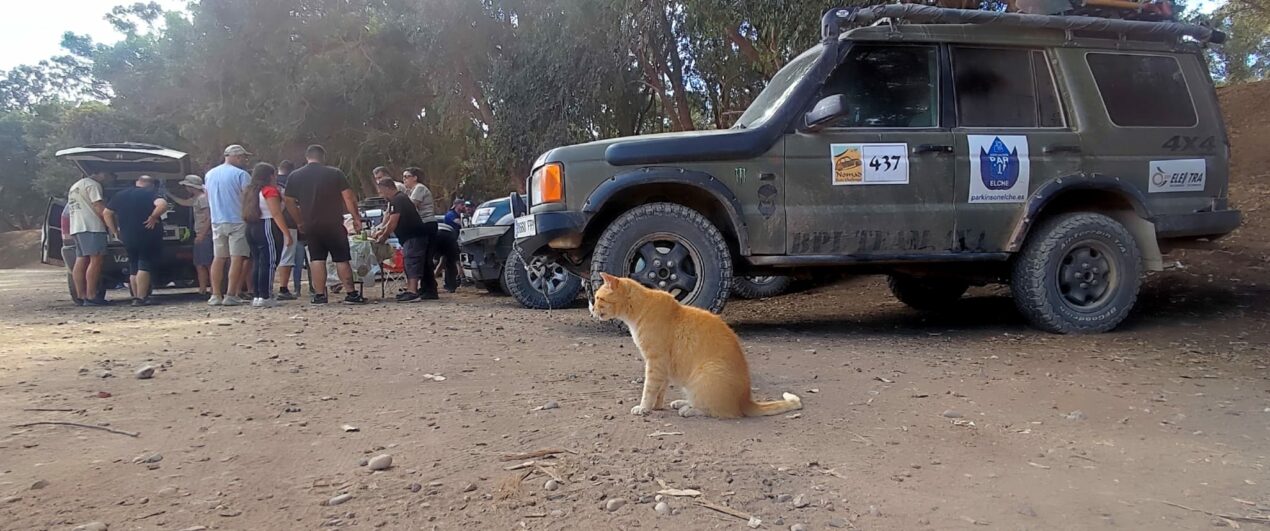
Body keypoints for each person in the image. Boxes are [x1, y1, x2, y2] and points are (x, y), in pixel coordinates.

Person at [283, 144, 367, 304]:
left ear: (307, 157)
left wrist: (299, 220)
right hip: (333, 223)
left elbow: (288, 201)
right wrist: (356, 218)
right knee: (341, 258)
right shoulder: (335, 173)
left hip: (311, 224)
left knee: (316, 258)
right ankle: (351, 293)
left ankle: (320, 295)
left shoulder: (295, 176)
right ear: (323, 157)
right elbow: (348, 197)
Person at [103, 175, 168, 306]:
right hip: (147, 234)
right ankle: (142, 297)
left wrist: (115, 230)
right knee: (144, 264)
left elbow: (106, 213)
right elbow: (163, 205)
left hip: (127, 235)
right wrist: (153, 216)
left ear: (137, 182)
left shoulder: (120, 195)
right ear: (150, 184)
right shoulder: (150, 194)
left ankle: (135, 296)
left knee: (133, 265)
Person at [374, 177, 438, 302]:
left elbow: (393, 222)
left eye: (381, 191)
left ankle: (412, 291)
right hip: (412, 236)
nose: (381, 195)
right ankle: (416, 289)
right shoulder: (400, 199)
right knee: (414, 262)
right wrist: (381, 230)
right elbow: (390, 222)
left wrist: (383, 237)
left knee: (411, 261)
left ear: (386, 188)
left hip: (413, 236)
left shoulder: (398, 200)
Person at [205, 145, 253, 306]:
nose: (245, 160)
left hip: (217, 220)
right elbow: (247, 197)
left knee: (218, 257)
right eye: (243, 157)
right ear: (237, 157)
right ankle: (231, 293)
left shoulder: (210, 174)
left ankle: (215, 294)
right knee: (236, 258)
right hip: (237, 220)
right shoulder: (241, 175)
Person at [242, 163, 292, 308]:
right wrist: (286, 233)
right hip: (267, 225)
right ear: (270, 176)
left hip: (252, 226)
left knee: (258, 261)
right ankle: (266, 295)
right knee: (269, 262)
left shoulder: (249, 191)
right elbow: (276, 213)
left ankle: (258, 294)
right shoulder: (269, 191)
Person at [67, 170, 114, 306]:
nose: (110, 180)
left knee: (81, 259)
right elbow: (98, 206)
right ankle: (92, 296)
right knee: (96, 260)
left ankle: (81, 295)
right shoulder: (93, 185)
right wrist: (110, 224)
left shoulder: (76, 185)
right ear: (103, 174)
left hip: (77, 227)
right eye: (111, 176)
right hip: (91, 226)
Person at [170, 175, 212, 296]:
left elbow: (208, 217)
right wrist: (170, 195)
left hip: (204, 234)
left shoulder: (203, 198)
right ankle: (203, 288)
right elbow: (184, 202)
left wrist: (203, 234)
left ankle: (212, 288)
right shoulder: (197, 198)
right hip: (200, 233)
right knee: (199, 262)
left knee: (206, 262)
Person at [274, 160, 303, 300]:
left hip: (269, 223)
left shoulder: (269, 183)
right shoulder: (293, 181)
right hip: (289, 222)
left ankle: (265, 287)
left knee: (272, 256)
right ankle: (283, 288)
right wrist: (300, 221)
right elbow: (294, 203)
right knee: (287, 256)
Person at [434, 198, 464, 293]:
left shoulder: (458, 214)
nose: (463, 207)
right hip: (446, 240)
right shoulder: (451, 214)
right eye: (461, 205)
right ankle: (455, 281)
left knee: (447, 261)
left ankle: (453, 282)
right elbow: (460, 223)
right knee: (448, 262)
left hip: (454, 240)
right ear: (456, 205)